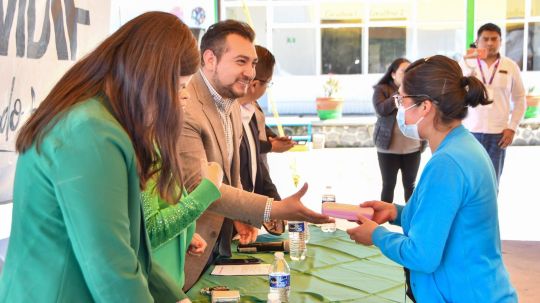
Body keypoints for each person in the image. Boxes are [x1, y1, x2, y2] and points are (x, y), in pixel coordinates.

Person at [0, 12, 217, 302]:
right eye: (177, 88)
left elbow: (131, 251)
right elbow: (113, 268)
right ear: (150, 81)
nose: (181, 101)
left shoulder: (97, 120)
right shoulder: (91, 132)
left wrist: (177, 298)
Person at [347, 55, 518, 302]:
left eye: (402, 99)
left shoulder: (447, 164)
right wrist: (395, 213)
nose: (398, 106)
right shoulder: (462, 146)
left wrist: (376, 236)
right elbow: (442, 219)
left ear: (425, 107)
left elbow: (422, 255)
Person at [179, 20, 331, 290]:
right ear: (210, 59)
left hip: (219, 245)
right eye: (241, 61)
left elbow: (228, 176)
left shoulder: (233, 104)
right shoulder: (186, 105)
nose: (250, 72)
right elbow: (198, 188)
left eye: (252, 63)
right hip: (187, 252)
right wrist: (274, 207)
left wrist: (241, 216)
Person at [460, 23, 526, 184]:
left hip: (499, 134)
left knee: (492, 181)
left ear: (501, 41)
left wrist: (512, 127)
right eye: (485, 39)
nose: (490, 43)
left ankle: (489, 210)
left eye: (494, 39)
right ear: (477, 41)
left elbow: (520, 98)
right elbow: (455, 95)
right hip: (469, 132)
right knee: (469, 180)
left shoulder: (510, 66)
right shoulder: (466, 64)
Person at [237, 45, 284, 235]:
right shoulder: (224, 116)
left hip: (247, 222)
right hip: (230, 223)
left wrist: (277, 205)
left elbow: (258, 169)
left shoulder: (251, 113)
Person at [372, 58, 424, 203]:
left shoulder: (418, 90)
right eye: (403, 71)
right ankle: (383, 219)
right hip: (388, 149)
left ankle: (411, 219)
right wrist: (399, 95)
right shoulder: (382, 89)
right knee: (388, 185)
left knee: (410, 186)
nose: (407, 74)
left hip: (412, 147)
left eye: (410, 71)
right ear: (393, 74)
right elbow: (381, 109)